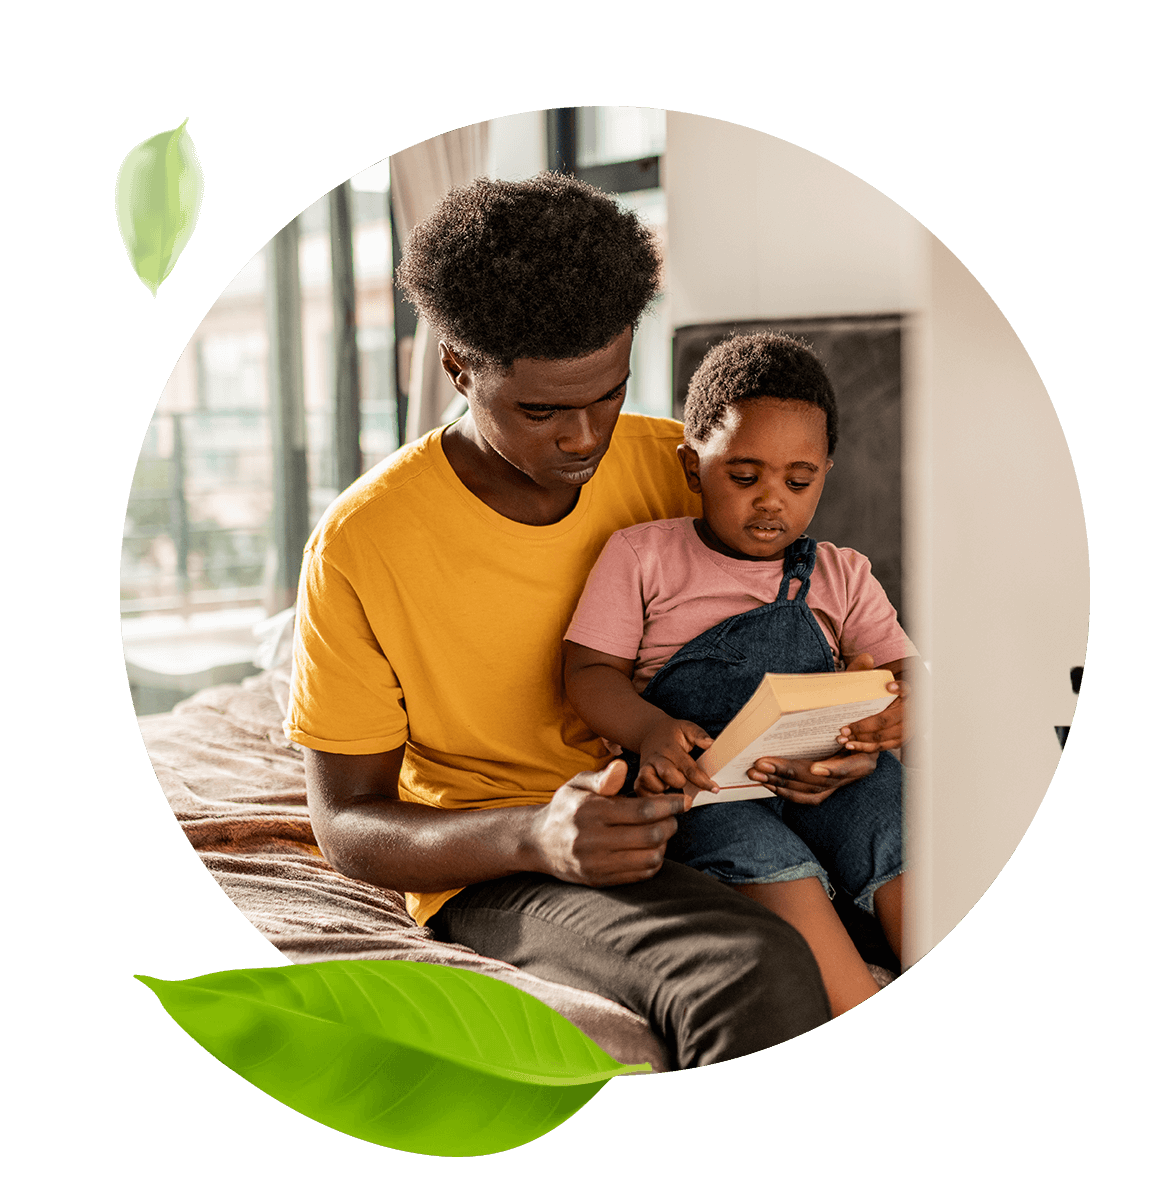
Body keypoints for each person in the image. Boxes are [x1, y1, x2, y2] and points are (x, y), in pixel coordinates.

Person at [285, 174, 864, 1070]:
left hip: (717, 804)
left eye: (608, 393)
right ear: (456, 366)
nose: (586, 438)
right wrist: (533, 835)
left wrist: (846, 734)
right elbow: (348, 824)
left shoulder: (680, 464)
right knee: (749, 967)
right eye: (543, 410)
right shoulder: (364, 544)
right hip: (504, 861)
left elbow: (818, 625)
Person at [563, 332, 920, 1015]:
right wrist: (651, 729)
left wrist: (891, 719)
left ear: (825, 473)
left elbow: (906, 671)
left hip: (829, 772)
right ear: (693, 464)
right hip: (706, 785)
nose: (770, 501)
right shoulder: (642, 556)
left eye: (798, 480)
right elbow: (587, 671)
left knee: (893, 816)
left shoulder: (841, 572)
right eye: (744, 475)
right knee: (761, 854)